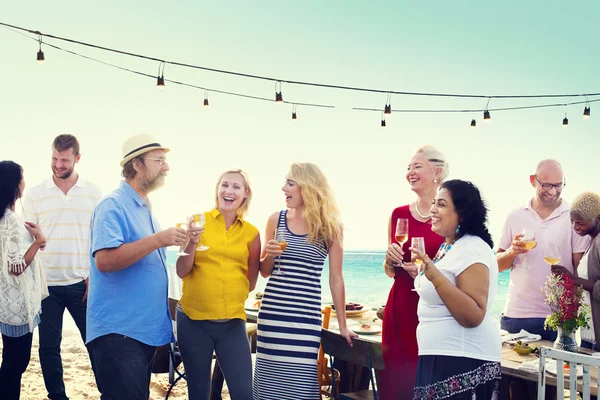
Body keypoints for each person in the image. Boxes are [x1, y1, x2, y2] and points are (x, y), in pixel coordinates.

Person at [87, 134, 186, 400]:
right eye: (160, 160)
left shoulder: (144, 207)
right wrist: (157, 240)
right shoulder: (113, 204)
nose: (166, 167)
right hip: (119, 333)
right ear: (138, 165)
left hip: (139, 333)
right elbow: (105, 260)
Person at [253, 162, 357, 400]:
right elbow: (265, 272)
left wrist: (342, 325)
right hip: (273, 315)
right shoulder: (275, 220)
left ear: (308, 188)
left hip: (305, 320)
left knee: (300, 386)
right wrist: (268, 253)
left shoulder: (330, 227)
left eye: (290, 183)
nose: (283, 188)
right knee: (269, 386)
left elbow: (336, 279)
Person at [22, 134, 102, 400]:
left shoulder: (93, 192)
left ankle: (107, 391)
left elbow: (99, 237)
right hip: (46, 285)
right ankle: (57, 395)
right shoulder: (35, 194)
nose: (58, 164)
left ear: (77, 159)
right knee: (48, 346)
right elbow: (27, 239)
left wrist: (94, 275)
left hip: (82, 283)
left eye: (64, 160)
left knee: (96, 342)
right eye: (54, 159)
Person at [410, 180, 501, 399]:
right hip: (442, 358)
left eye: (441, 204)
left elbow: (473, 314)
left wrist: (434, 276)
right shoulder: (450, 246)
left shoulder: (472, 247)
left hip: (461, 359)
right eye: (433, 203)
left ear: (461, 213)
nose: (432, 209)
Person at [175, 169, 260, 400]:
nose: (229, 191)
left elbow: (251, 282)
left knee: (244, 393)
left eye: (236, 187)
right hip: (193, 322)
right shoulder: (196, 222)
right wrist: (191, 243)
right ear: (217, 190)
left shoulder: (252, 233)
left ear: (245, 194)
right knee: (199, 393)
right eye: (224, 185)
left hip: (231, 324)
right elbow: (182, 271)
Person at [380, 145, 449, 400]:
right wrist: (389, 260)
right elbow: (390, 272)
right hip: (399, 309)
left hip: (432, 313)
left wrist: (424, 272)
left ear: (437, 172)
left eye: (417, 166)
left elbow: (454, 271)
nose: (410, 172)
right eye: (408, 167)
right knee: (395, 384)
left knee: (425, 384)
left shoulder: (447, 217)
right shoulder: (398, 214)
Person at [496, 159, 589, 341]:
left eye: (558, 185)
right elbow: (497, 265)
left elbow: (580, 270)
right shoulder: (515, 215)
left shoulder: (572, 216)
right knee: (511, 369)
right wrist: (512, 252)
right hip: (516, 315)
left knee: (556, 370)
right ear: (533, 180)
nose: (552, 191)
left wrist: (573, 312)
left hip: (558, 318)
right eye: (546, 185)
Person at [0, 161, 47, 400]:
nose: (24, 182)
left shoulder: (9, 218)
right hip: (15, 305)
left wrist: (35, 241)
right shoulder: (8, 221)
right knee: (15, 364)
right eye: (22, 177)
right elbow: (16, 268)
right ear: (14, 184)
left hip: (12, 303)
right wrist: (38, 242)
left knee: (13, 362)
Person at [551, 191, 600, 349]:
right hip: (589, 333)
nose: (575, 227)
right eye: (572, 221)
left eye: (581, 223)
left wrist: (572, 279)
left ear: (598, 219)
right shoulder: (591, 241)